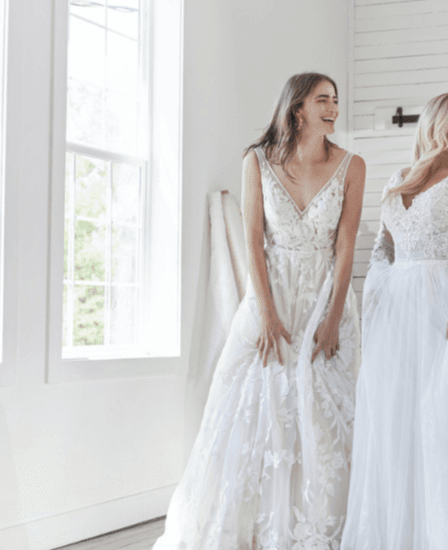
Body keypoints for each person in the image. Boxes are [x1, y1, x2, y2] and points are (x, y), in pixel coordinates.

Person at [153, 73, 366, 550]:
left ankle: (323, 528)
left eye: (336, 100)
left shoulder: (353, 166)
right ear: (297, 110)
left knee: (326, 419)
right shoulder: (258, 161)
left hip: (325, 301)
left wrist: (333, 319)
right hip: (270, 298)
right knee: (257, 410)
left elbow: (347, 247)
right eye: (323, 100)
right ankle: (250, 533)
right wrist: (267, 316)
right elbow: (252, 240)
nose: (333, 108)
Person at [341, 92, 448, 550]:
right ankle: (404, 530)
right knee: (398, 417)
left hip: (445, 304)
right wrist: (375, 298)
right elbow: (383, 248)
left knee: (446, 418)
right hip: (397, 312)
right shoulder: (399, 179)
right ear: (431, 122)